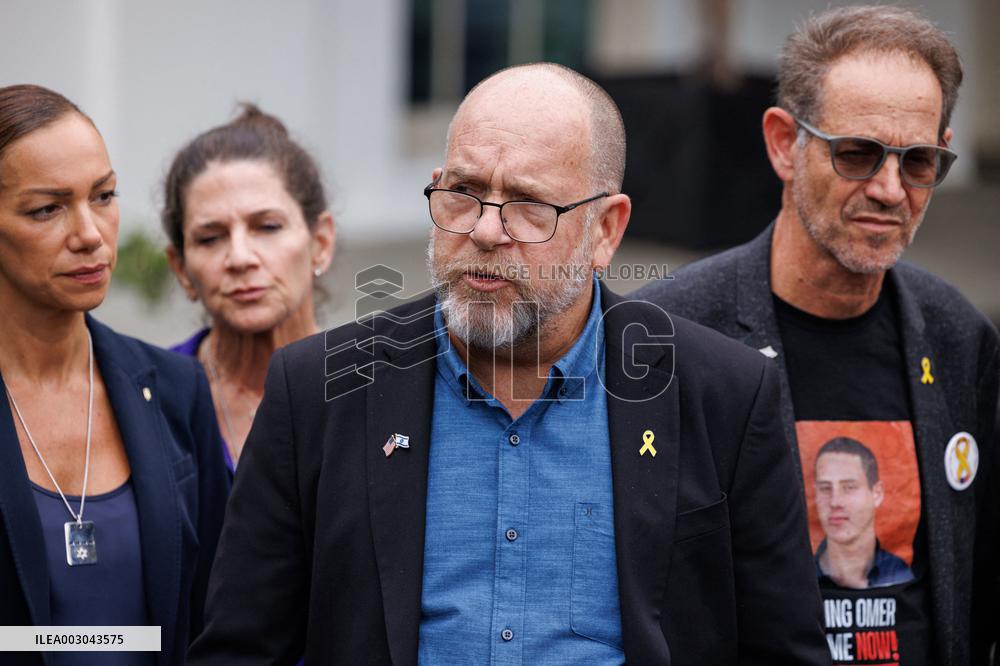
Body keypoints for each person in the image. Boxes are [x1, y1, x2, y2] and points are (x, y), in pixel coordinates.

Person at [188, 63, 828, 664]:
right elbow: (242, 648)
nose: (486, 230)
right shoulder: (322, 389)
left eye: (529, 204)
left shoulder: (723, 395)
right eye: (463, 193)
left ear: (606, 231)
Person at [633, 6, 999, 664]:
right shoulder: (664, 336)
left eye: (919, 162)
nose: (891, 189)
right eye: (858, 154)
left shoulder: (958, 338)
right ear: (783, 144)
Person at [0, 85, 229, 665]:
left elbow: (218, 618)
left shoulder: (176, 390)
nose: (90, 234)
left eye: (103, 196)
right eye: (47, 208)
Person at [162, 106, 335, 473]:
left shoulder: (369, 392)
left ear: (320, 242)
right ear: (181, 268)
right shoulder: (152, 401)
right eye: (210, 238)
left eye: (267, 227)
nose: (240, 258)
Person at [813, 437, 913, 589]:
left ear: (877, 494)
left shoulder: (903, 576)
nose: (835, 502)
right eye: (825, 488)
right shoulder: (799, 576)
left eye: (849, 487)